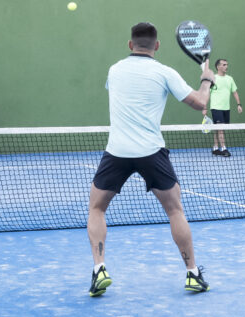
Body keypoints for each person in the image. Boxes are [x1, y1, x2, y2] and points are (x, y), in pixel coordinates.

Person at [87, 22, 215, 296]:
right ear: (157, 46)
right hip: (151, 153)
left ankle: (99, 268)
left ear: (130, 45)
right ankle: (193, 273)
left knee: (96, 209)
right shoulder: (165, 72)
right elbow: (200, 103)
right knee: (175, 210)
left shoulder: (115, 70)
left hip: (117, 153)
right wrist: (207, 80)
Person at [203, 58, 242, 156]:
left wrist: (238, 104)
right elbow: (207, 93)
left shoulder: (230, 79)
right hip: (216, 107)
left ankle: (215, 148)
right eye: (224, 65)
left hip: (226, 108)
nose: (226, 66)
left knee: (219, 128)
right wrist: (204, 107)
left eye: (226, 64)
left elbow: (235, 92)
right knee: (220, 128)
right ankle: (224, 149)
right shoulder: (213, 79)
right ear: (218, 67)